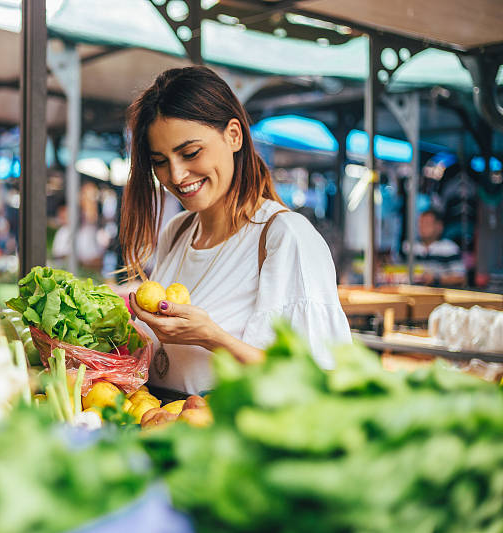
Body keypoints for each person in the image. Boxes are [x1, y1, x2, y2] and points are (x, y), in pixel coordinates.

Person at [121, 66, 351, 394]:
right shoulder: (177, 232)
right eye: (160, 161)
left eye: (190, 153)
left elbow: (320, 380)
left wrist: (212, 338)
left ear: (234, 135)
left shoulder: (285, 236)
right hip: (161, 424)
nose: (176, 175)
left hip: (231, 437)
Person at [406, 209, 466, 287]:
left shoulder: (449, 248)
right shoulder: (408, 247)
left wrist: (436, 279)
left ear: (439, 226)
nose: (422, 227)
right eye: (421, 223)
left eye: (427, 224)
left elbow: (461, 278)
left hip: (440, 296)